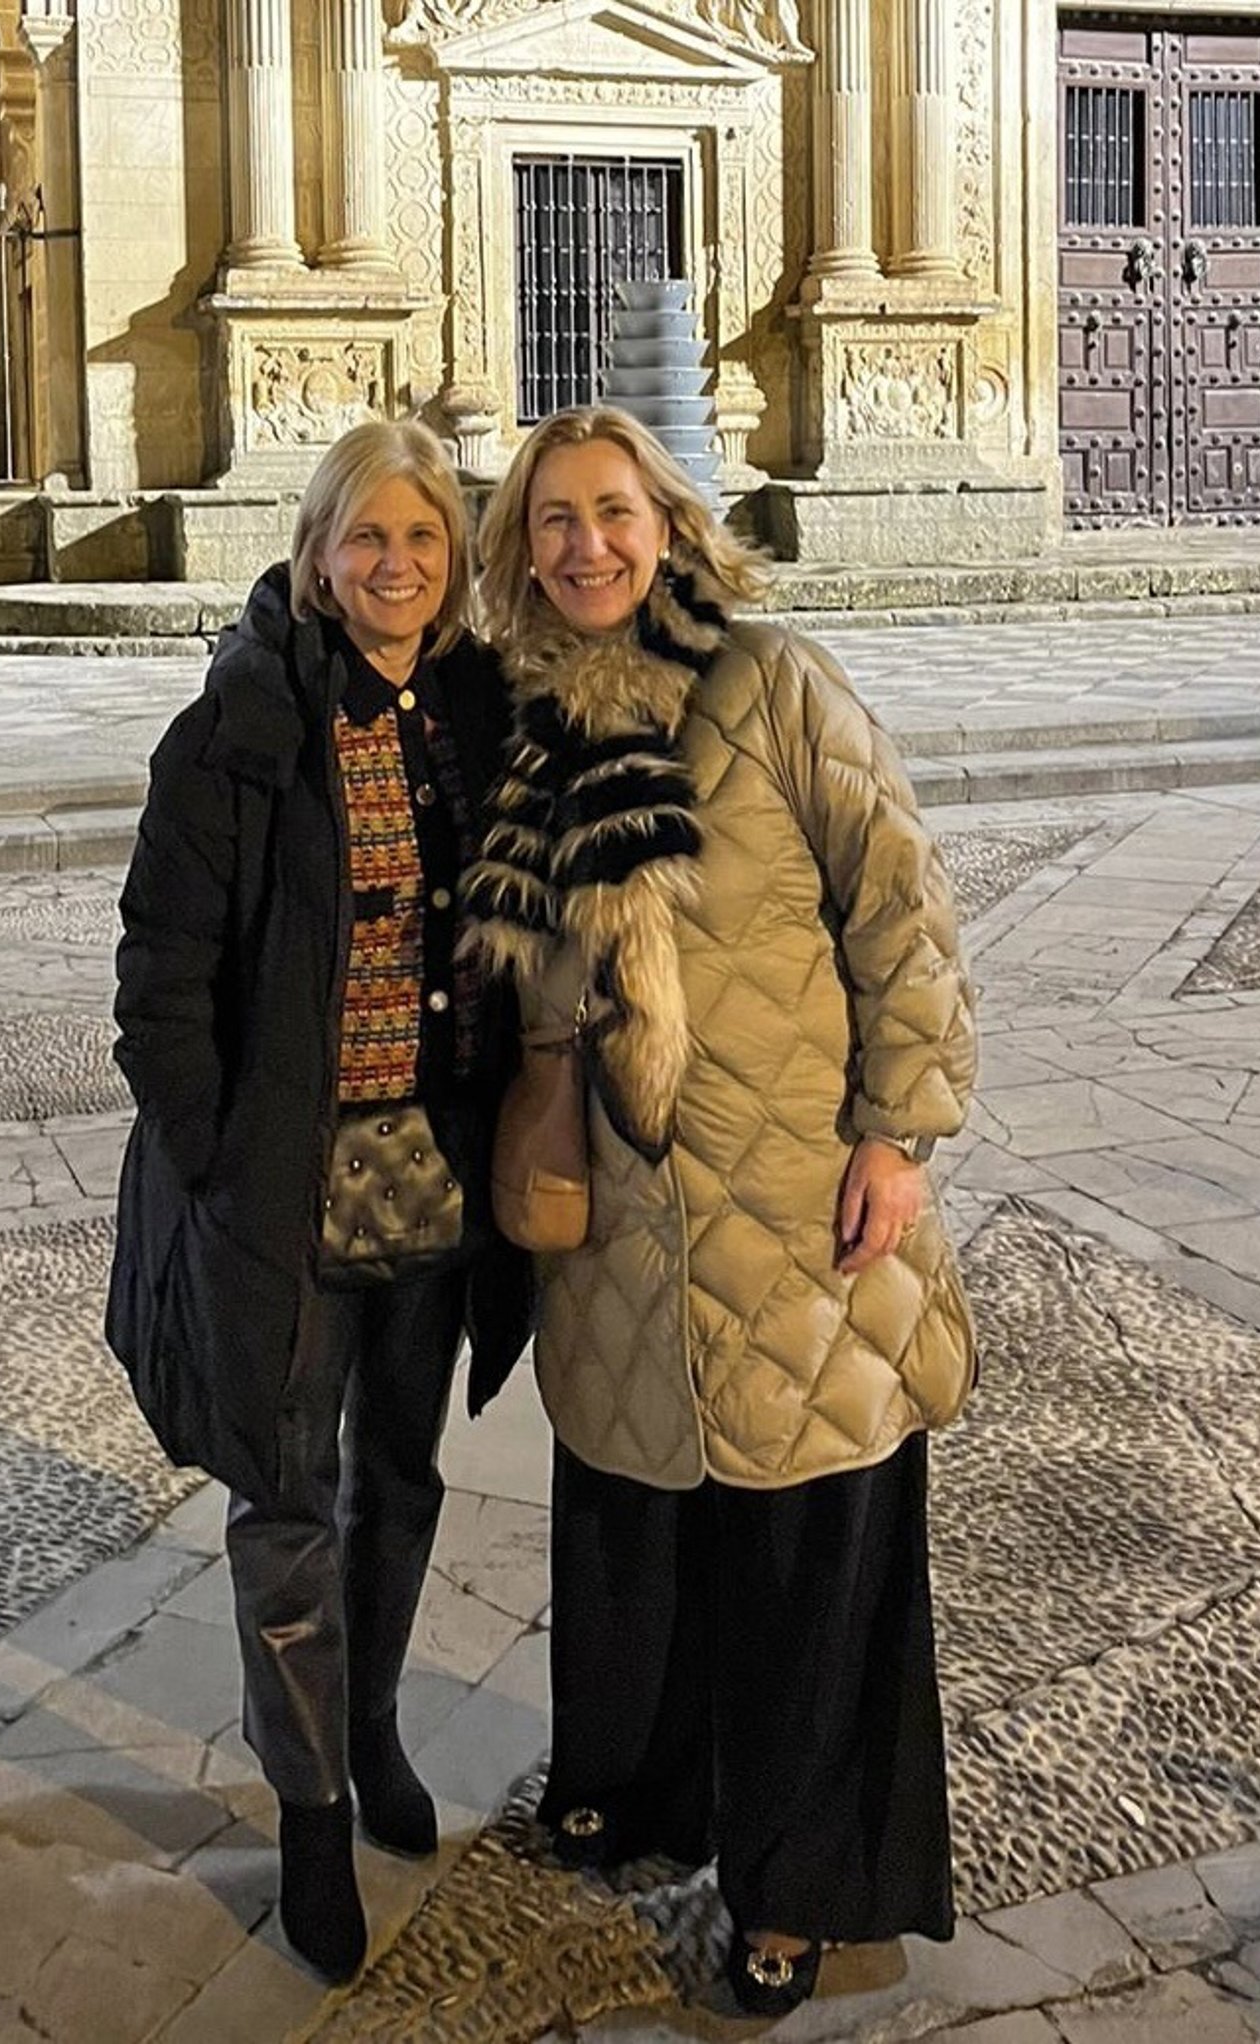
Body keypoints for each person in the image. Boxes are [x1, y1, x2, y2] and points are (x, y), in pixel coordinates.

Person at [460, 406, 978, 2019]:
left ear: (672, 526)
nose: (587, 546)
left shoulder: (771, 682)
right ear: (519, 546)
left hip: (797, 1200)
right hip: (621, 1215)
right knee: (641, 1523)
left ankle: (801, 1891)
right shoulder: (521, 724)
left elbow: (900, 902)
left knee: (813, 1554)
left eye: (614, 513)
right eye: (554, 520)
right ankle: (642, 1793)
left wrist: (900, 1131)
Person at [106, 418, 531, 1986]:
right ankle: (309, 1806)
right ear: (318, 554)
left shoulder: (485, 714)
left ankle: (374, 1724)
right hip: (289, 1190)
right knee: (286, 1498)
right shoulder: (239, 725)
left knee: (399, 1476)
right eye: (369, 538)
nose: (396, 565)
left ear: (456, 561)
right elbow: (160, 981)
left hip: (438, 1184)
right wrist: (222, 1160)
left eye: (424, 539)